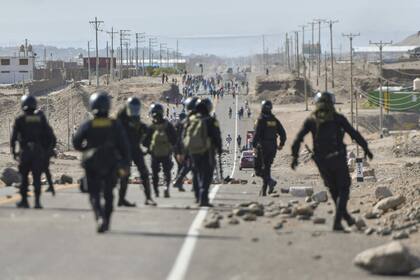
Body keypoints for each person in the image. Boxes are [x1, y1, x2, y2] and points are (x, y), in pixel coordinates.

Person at [291, 92, 373, 232]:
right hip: (337, 158)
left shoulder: (311, 120)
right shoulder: (337, 118)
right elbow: (354, 134)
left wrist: (294, 158)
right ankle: (337, 222)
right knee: (344, 188)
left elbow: (298, 139)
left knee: (334, 190)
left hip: (321, 162)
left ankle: (346, 218)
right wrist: (366, 148)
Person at [73, 91, 130, 233]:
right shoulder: (115, 124)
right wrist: (125, 163)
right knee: (109, 194)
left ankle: (99, 216)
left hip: (92, 164)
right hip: (111, 163)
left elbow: (76, 142)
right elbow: (124, 146)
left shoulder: (89, 124)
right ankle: (107, 220)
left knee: (94, 194)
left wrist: (86, 148)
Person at [11, 95, 55, 209]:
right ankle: (37, 202)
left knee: (24, 177)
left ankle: (24, 201)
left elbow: (13, 138)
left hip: (25, 152)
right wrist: (46, 150)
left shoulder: (20, 119)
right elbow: (50, 135)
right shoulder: (41, 119)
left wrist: (13, 152)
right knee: (36, 178)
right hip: (38, 152)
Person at [116, 97, 156, 207]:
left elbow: (146, 134)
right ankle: (121, 199)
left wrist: (148, 146)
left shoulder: (137, 121)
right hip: (125, 150)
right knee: (125, 174)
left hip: (135, 149)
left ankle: (148, 197)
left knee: (144, 173)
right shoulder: (121, 120)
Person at [183, 98, 222, 206]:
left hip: (193, 151)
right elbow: (217, 136)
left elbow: (184, 135)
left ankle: (197, 196)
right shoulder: (211, 120)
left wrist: (185, 151)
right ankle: (203, 198)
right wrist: (219, 148)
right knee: (206, 174)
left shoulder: (191, 119)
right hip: (207, 151)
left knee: (196, 173)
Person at [252, 100, 287, 196]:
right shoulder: (274, 120)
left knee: (257, 170)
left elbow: (256, 135)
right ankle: (264, 191)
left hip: (262, 147)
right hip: (272, 147)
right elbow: (283, 133)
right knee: (267, 168)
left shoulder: (261, 119)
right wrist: (281, 144)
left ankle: (270, 181)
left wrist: (254, 146)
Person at [144, 103, 177, 198]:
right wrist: (170, 147)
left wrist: (150, 147)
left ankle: (156, 191)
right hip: (166, 153)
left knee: (155, 173)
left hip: (154, 153)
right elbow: (175, 139)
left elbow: (144, 142)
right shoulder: (168, 125)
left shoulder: (151, 127)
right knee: (167, 172)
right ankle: (166, 187)